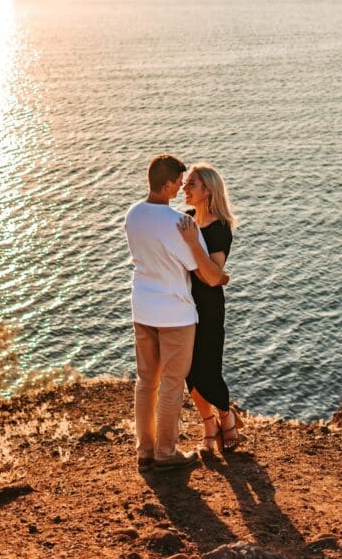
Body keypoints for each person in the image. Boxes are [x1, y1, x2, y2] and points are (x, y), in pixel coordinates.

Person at [125, 154, 228, 471]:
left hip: (142, 308)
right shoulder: (179, 224)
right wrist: (222, 277)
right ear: (167, 184)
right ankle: (166, 453)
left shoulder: (133, 215)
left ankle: (145, 450)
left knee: (146, 382)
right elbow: (209, 276)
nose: (182, 186)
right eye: (179, 182)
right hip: (175, 315)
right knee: (171, 383)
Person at [178, 163, 243, 454]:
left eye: (191, 184)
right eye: (186, 183)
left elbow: (215, 277)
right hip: (182, 302)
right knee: (187, 371)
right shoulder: (184, 219)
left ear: (208, 191)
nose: (184, 188)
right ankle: (209, 424)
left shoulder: (219, 228)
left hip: (209, 307)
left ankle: (227, 417)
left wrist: (193, 244)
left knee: (209, 371)